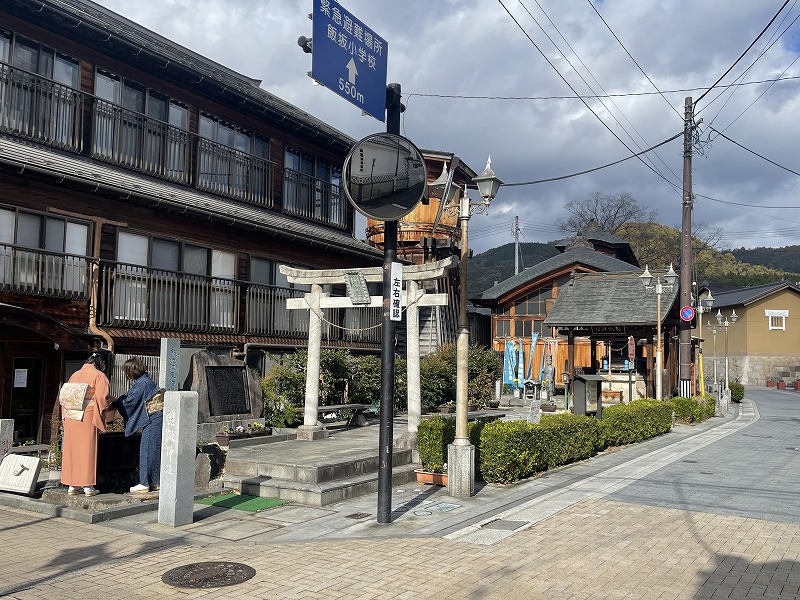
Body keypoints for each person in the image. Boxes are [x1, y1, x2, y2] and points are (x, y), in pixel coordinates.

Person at [61, 352, 115, 497]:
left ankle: (73, 485)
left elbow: (66, 396)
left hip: (72, 414)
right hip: (87, 414)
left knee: (73, 450)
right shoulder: (99, 375)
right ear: (99, 363)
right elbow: (102, 398)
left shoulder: (75, 374)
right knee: (87, 450)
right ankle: (88, 486)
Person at [113, 357, 161, 493]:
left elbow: (129, 402)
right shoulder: (145, 381)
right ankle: (155, 481)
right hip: (156, 418)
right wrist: (117, 401)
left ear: (132, 371)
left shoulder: (142, 384)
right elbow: (129, 397)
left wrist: (114, 403)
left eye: (127, 372)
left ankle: (144, 483)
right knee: (153, 450)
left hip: (153, 419)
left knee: (146, 450)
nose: (127, 376)